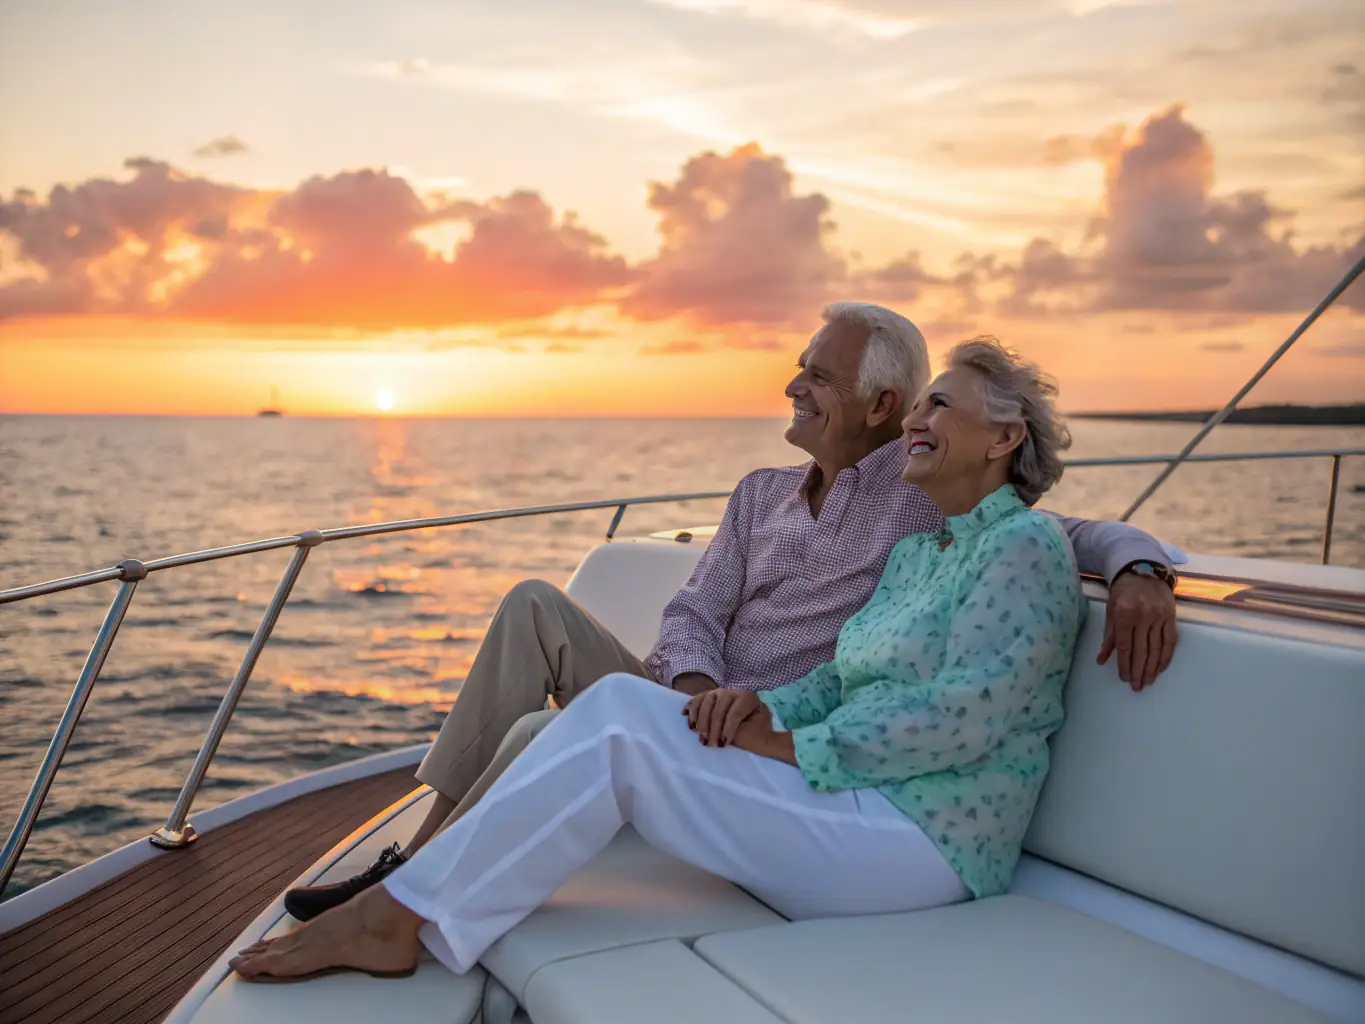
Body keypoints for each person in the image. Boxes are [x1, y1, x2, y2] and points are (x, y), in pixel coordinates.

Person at [282, 303, 1178, 923]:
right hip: (700, 701)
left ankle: (414, 897)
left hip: (766, 732)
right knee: (532, 607)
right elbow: (693, 609)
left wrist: (1138, 563)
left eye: (816, 376)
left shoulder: (921, 508)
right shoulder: (759, 495)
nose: (793, 385)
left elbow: (1055, 528)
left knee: (532, 738)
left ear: (879, 405)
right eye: (799, 368)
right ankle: (413, 859)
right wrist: (696, 686)